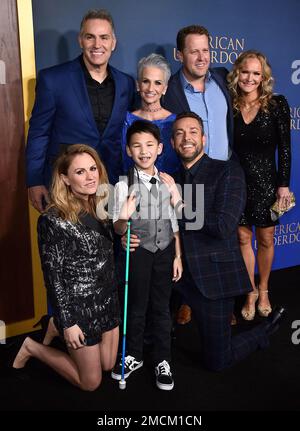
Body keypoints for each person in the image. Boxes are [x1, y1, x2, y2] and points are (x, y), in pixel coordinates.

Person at [159, 112, 285, 371]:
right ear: (171, 143)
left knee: (218, 361)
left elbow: (223, 226)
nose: (187, 138)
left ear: (203, 138)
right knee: (156, 334)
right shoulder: (170, 178)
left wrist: (179, 204)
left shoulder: (227, 171)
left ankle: (262, 332)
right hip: (176, 275)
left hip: (213, 276)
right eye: (180, 133)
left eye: (193, 131)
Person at [12, 144, 120, 391]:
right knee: (90, 382)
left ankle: (53, 326)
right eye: (80, 172)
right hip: (78, 307)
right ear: (65, 179)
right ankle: (33, 346)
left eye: (93, 168)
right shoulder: (52, 220)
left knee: (107, 365)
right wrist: (68, 321)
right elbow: (53, 277)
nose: (90, 176)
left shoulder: (104, 206)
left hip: (107, 299)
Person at [26, 8, 135, 212]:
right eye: (90, 37)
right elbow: (39, 133)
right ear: (80, 40)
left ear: (113, 42)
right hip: (66, 189)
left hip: (111, 186)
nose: (97, 44)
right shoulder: (53, 79)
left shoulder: (126, 83)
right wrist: (34, 180)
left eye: (104, 37)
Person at [163, 24, 234, 325]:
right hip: (188, 174)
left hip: (224, 173)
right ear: (180, 54)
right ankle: (187, 300)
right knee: (190, 235)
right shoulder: (169, 90)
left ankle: (224, 302)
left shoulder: (223, 79)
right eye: (194, 51)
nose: (201, 57)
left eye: (205, 50)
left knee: (223, 240)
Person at [111, 120, 182, 390]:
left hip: (164, 252)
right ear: (128, 150)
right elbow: (118, 228)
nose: (144, 151)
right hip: (138, 253)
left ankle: (163, 360)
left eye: (149, 145)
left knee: (162, 308)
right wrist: (122, 221)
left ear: (160, 148)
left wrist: (178, 256)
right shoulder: (121, 186)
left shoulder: (168, 182)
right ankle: (133, 355)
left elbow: (176, 223)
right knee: (136, 307)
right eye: (137, 146)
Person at [227, 50, 291, 321]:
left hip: (267, 183)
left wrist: (283, 185)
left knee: (266, 239)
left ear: (263, 77)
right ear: (237, 73)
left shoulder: (277, 105)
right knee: (243, 238)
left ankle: (264, 289)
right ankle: (250, 291)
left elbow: (286, 149)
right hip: (237, 183)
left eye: (256, 73)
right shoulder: (228, 105)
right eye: (245, 72)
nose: (250, 78)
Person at [121, 53, 180, 175]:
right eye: (146, 81)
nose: (150, 88)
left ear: (165, 88)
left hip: (170, 189)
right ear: (138, 85)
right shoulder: (126, 121)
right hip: (132, 188)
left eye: (157, 83)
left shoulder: (175, 123)